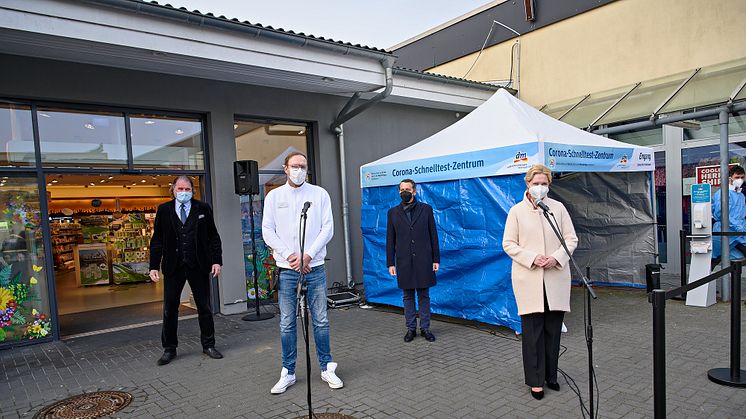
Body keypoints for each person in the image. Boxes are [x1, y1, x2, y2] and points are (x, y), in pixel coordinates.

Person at [261, 151, 343, 394]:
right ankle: (288, 371)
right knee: (287, 322)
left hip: (314, 266)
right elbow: (268, 231)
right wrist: (290, 255)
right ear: (285, 168)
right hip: (287, 269)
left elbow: (327, 228)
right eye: (295, 166)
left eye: (303, 166)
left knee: (321, 320)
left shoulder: (319, 194)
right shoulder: (274, 197)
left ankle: (326, 366)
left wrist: (308, 255)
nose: (299, 170)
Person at [502, 164, 578, 400]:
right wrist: (533, 258)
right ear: (527, 184)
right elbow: (509, 244)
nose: (540, 187)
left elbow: (571, 239)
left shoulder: (558, 208)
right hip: (529, 279)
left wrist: (556, 258)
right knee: (533, 333)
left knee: (553, 331)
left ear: (549, 185)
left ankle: (551, 375)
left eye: (544, 183)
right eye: (536, 184)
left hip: (555, 277)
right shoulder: (516, 211)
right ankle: (535, 381)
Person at [149, 175, 223, 366]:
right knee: (170, 309)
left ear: (192, 190)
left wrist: (217, 261)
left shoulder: (203, 208)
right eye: (180, 189)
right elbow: (157, 240)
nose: (183, 193)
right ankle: (169, 348)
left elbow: (213, 237)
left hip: (198, 264)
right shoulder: (164, 210)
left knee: (204, 307)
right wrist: (153, 266)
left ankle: (208, 344)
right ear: (173, 190)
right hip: (174, 266)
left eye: (187, 189)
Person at [386, 179, 440, 342]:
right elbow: (390, 239)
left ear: (414, 191)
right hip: (403, 261)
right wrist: (390, 263)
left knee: (424, 295)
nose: (404, 192)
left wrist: (435, 259)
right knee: (407, 296)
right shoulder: (393, 213)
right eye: (401, 189)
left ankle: (425, 328)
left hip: (424, 259)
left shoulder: (426, 209)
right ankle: (411, 329)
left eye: (407, 189)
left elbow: (433, 235)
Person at [711, 165, 746, 268]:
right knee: (715, 258)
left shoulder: (741, 196)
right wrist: (737, 226)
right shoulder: (722, 194)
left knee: (732, 259)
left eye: (742, 177)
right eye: (737, 177)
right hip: (726, 231)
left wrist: (741, 227)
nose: (740, 180)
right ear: (730, 178)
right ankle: (700, 281)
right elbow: (720, 214)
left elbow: (741, 214)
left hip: (738, 233)